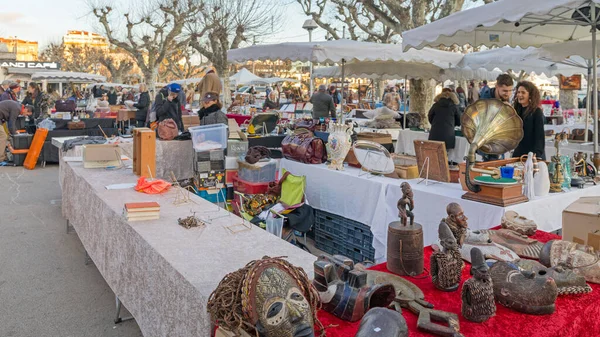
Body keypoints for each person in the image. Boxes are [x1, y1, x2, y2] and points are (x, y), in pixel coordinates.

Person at [512, 81, 545, 160]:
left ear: (530, 95)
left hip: (532, 154)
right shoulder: (516, 110)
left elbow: (539, 137)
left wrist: (536, 156)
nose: (520, 95)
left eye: (523, 92)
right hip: (518, 153)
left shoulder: (537, 112)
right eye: (518, 92)